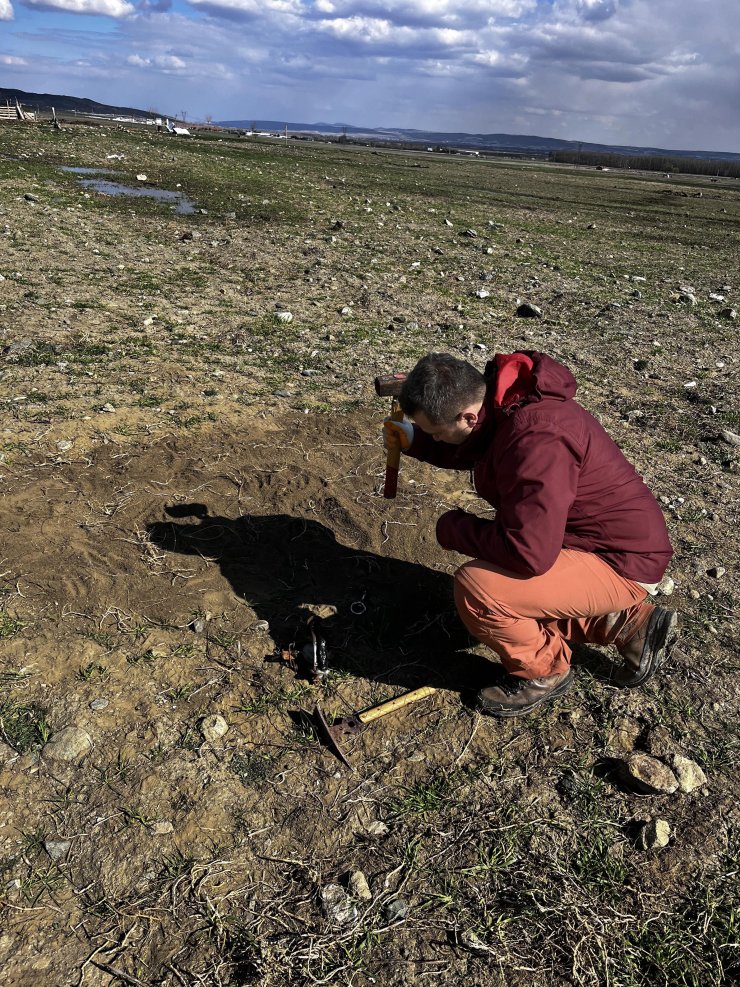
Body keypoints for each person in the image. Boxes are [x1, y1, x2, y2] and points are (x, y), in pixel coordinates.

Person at [382, 351, 678, 718]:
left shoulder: (538, 440)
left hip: (622, 561)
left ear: (468, 415)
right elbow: (481, 444)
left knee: (480, 589)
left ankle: (544, 671)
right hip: (587, 542)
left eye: (436, 433)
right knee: (512, 586)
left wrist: (455, 529)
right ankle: (629, 625)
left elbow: (528, 553)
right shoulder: (504, 405)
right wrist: (417, 441)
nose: (437, 439)